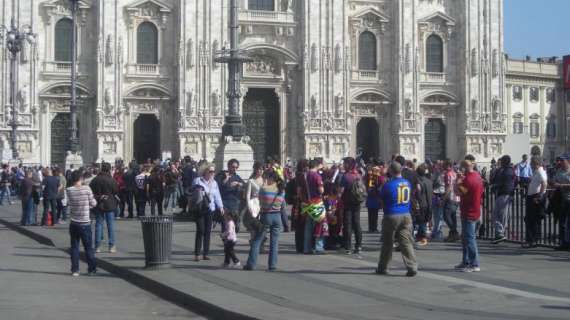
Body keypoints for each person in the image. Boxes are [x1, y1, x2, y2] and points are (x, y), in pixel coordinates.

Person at [375, 162, 418, 277]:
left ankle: (383, 267)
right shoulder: (407, 183)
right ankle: (412, 266)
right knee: (406, 242)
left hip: (392, 215)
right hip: (406, 214)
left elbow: (382, 201)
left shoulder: (388, 185)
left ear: (391, 171)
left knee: (387, 243)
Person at [244, 170, 285, 271]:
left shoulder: (264, 189)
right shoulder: (281, 190)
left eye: (266, 177)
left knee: (257, 240)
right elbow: (283, 205)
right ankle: (272, 265)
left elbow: (260, 202)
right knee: (274, 242)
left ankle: (251, 264)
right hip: (277, 216)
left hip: (266, 216)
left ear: (270, 178)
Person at [66, 170, 97, 276]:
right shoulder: (87, 189)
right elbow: (93, 203)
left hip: (74, 222)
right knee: (88, 247)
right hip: (85, 222)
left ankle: (75, 270)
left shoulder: (69, 190)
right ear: (80, 179)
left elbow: (68, 203)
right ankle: (91, 269)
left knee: (74, 247)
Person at [455, 160, 484, 272]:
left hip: (469, 212)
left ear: (464, 168)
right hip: (476, 210)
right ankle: (465, 261)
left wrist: (458, 181)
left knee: (470, 239)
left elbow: (459, 193)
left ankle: (474, 264)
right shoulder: (477, 176)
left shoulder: (468, 180)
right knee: (466, 238)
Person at [192, 163, 224, 261]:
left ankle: (206, 253)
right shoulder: (197, 180)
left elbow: (217, 196)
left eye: (213, 171)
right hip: (200, 209)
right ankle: (197, 254)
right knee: (200, 230)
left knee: (208, 231)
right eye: (210, 171)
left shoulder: (214, 183)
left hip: (210, 209)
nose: (212, 173)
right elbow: (192, 193)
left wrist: (221, 207)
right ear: (205, 171)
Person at [90, 162, 119, 253]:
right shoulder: (111, 180)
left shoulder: (95, 179)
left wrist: (99, 196)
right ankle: (111, 246)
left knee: (99, 225)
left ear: (102, 169)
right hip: (110, 204)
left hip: (99, 204)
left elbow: (91, 191)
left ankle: (97, 246)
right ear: (109, 169)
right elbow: (116, 191)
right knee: (110, 225)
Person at [299, 159, 325, 254]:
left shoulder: (304, 175)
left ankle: (307, 248)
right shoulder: (316, 176)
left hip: (306, 202)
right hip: (316, 202)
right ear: (317, 165)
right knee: (319, 225)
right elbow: (321, 190)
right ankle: (319, 247)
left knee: (308, 226)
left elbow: (300, 190)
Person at [523, 156, 547, 248]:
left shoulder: (540, 171)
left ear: (536, 163)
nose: (531, 165)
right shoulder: (537, 171)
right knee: (530, 219)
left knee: (531, 219)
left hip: (535, 196)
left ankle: (532, 240)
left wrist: (539, 196)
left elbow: (544, 183)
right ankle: (532, 240)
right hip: (532, 196)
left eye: (532, 163)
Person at [490, 155, 515, 244]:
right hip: (503, 194)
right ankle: (499, 234)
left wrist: (495, 185)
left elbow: (504, 183)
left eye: (501, 161)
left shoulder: (507, 171)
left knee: (500, 215)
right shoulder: (505, 170)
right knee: (498, 215)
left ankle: (500, 233)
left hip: (504, 194)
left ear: (504, 162)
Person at [219, 159, 245, 232]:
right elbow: (219, 186)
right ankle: (225, 239)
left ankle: (235, 227)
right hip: (224, 202)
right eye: (233, 167)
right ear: (228, 166)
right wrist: (226, 179)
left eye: (236, 167)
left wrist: (238, 183)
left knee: (234, 222)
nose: (234, 169)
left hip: (234, 202)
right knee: (225, 223)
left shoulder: (237, 177)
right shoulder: (222, 175)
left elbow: (244, 184)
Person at [552, 154, 570, 251]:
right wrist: (554, 184)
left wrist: (561, 185)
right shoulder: (559, 171)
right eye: (560, 161)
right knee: (562, 222)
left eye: (562, 161)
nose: (560, 162)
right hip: (563, 199)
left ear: (568, 161)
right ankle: (563, 242)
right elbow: (554, 181)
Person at [415, 164, 433, 246]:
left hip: (421, 204)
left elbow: (418, 194)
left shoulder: (418, 182)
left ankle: (423, 237)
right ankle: (420, 236)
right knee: (424, 220)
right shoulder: (429, 181)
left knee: (421, 221)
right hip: (428, 203)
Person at [442, 160, 460, 242]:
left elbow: (449, 187)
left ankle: (454, 232)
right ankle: (452, 234)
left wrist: (444, 197)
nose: (442, 167)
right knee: (452, 216)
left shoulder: (448, 174)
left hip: (451, 197)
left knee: (446, 216)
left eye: (444, 165)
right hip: (456, 198)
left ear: (448, 165)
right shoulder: (455, 173)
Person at [366, 163, 384, 233]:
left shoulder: (369, 177)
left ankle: (370, 228)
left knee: (370, 213)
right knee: (375, 214)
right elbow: (382, 186)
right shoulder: (380, 177)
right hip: (376, 197)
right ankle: (374, 228)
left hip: (370, 196)